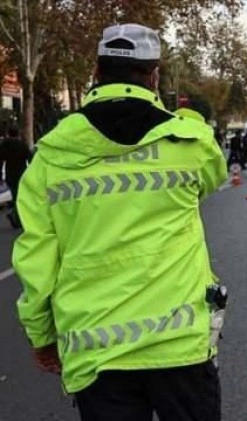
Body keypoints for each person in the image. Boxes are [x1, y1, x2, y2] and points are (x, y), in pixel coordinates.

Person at [12, 23, 227, 421]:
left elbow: (37, 258)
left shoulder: (51, 155)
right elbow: (214, 176)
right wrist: (182, 117)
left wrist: (42, 335)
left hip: (97, 350)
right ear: (154, 75)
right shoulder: (189, 143)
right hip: (178, 345)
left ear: (96, 72)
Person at [0, 125, 32, 229]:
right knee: (21, 196)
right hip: (22, 173)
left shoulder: (5, 145)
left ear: (9, 133)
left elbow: (1, 161)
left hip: (10, 174)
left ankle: (15, 215)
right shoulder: (23, 145)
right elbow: (30, 159)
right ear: (18, 133)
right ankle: (16, 216)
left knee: (15, 195)